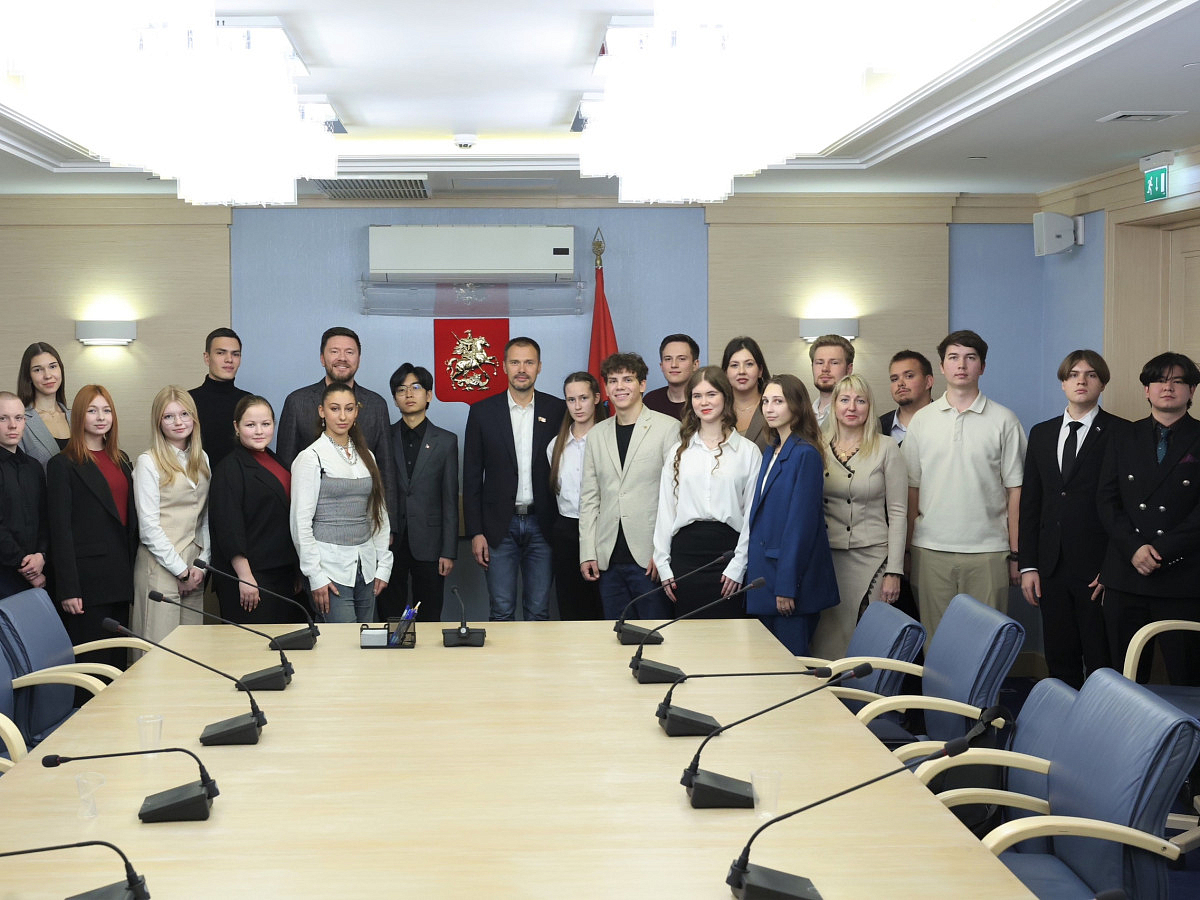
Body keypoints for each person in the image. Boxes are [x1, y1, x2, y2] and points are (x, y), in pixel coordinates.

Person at [901, 330, 1026, 637]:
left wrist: (1016, 554)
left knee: (987, 642)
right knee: (936, 641)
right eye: (953, 357)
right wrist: (907, 550)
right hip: (930, 550)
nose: (961, 365)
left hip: (989, 552)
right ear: (941, 367)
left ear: (982, 366)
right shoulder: (922, 421)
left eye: (970, 358)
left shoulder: (1005, 420)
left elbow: (1016, 492)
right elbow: (912, 490)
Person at [1019, 350, 1121, 689]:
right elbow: (1031, 503)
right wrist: (1028, 565)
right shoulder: (1042, 433)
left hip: (1097, 570)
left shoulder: (1121, 432)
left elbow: (1124, 507)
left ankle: (1099, 720)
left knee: (1101, 658)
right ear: (1063, 383)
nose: (1081, 381)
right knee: (1059, 656)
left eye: (1091, 375)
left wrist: (1112, 568)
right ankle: (1063, 717)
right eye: (1073, 374)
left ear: (1102, 383)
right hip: (1050, 565)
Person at [1098, 351, 1200, 684]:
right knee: (1123, 676)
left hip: (1182, 576)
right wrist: (1134, 548)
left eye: (1178, 381)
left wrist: (1161, 550)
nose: (1167, 387)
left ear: (1192, 390)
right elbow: (1106, 499)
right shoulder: (1122, 436)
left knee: (1186, 677)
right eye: (1159, 380)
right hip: (1126, 573)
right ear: (1146, 389)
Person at [462, 337, 565, 621]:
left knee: (539, 612)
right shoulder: (482, 412)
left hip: (543, 525)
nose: (522, 369)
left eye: (529, 362)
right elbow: (471, 477)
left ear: (539, 367)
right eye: (515, 362)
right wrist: (476, 532)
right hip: (499, 528)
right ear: (504, 366)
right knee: (501, 611)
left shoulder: (557, 410)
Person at [811, 375, 906, 659]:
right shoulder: (816, 446)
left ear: (869, 406)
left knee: (867, 643)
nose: (852, 407)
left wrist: (895, 571)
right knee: (825, 642)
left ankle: (866, 690)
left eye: (860, 400)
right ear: (834, 406)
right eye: (844, 400)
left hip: (873, 558)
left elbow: (898, 512)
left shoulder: (886, 447)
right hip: (827, 559)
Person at [652, 366, 758, 618]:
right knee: (687, 635)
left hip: (728, 555)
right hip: (685, 557)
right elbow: (666, 511)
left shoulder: (748, 452)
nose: (704, 402)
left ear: (725, 396)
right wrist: (663, 564)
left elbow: (752, 516)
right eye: (697, 396)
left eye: (711, 394)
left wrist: (739, 565)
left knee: (729, 632)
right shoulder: (678, 451)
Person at [579, 352, 678, 620]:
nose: (619, 386)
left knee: (655, 634)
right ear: (606, 388)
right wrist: (587, 552)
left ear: (642, 384)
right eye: (613, 381)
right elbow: (589, 498)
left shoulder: (668, 428)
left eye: (627, 379)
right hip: (608, 558)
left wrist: (663, 553)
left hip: (650, 558)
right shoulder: (597, 434)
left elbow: (676, 496)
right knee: (616, 634)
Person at [745, 374, 838, 655]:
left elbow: (801, 527)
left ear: (796, 406)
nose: (769, 408)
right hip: (765, 576)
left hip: (788, 583)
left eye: (778, 401)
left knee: (791, 667)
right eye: (765, 402)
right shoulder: (771, 450)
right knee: (766, 665)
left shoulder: (805, 454)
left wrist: (787, 586)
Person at [46, 385, 137, 671]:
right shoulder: (62, 464)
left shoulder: (122, 459)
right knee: (92, 666)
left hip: (121, 577)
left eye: (106, 410)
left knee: (118, 667)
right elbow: (60, 531)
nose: (101, 417)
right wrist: (68, 589)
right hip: (87, 584)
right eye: (92, 410)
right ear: (78, 416)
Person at [290, 382, 391, 623]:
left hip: (366, 566)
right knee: (342, 643)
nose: (342, 416)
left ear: (357, 412)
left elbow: (378, 514)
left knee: (367, 639)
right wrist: (315, 575)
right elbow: (300, 523)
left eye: (349, 408)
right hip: (329, 568)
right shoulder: (311, 457)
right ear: (322, 411)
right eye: (335, 409)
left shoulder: (367, 456)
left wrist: (384, 565)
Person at [275, 326, 394, 514]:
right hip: (313, 515)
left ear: (359, 359)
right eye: (334, 351)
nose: (342, 358)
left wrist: (388, 522)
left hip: (365, 514)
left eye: (350, 352)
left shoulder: (376, 405)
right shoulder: (297, 402)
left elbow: (386, 470)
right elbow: (285, 469)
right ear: (322, 358)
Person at [209, 395, 303, 624]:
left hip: (282, 573)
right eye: (250, 425)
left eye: (266, 424)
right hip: (251, 577)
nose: (259, 431)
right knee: (253, 644)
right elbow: (228, 528)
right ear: (236, 427)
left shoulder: (277, 461)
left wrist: (296, 569)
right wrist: (245, 576)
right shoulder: (229, 469)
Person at [132, 387, 211, 644]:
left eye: (184, 414)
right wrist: (181, 572)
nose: (178, 422)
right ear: (158, 422)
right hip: (161, 567)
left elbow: (205, 517)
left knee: (191, 650)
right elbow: (148, 527)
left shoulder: (202, 458)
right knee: (159, 650)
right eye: (169, 416)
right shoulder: (148, 462)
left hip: (194, 567)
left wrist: (201, 564)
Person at [380, 363, 458, 623]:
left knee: (430, 614)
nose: (409, 394)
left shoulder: (446, 441)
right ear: (395, 399)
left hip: (431, 543)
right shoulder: (383, 437)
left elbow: (450, 499)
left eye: (415, 387)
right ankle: (393, 650)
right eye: (401, 389)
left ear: (429, 395)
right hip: (391, 541)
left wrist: (449, 550)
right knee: (390, 612)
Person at [547, 372, 606, 620]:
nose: (578, 406)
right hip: (567, 531)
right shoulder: (555, 446)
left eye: (584, 398)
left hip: (603, 528)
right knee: (570, 605)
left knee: (602, 604)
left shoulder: (608, 439)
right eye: (571, 400)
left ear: (597, 398)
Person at [0, 392, 48, 598]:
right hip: (5, 574)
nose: (13, 425)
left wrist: (41, 555)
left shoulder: (34, 467)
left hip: (39, 569)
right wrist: (26, 567)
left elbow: (45, 517)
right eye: (3, 418)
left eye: (18, 418)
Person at [189, 327, 251, 468]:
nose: (229, 360)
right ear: (207, 358)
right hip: (196, 478)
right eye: (221, 353)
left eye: (235, 354)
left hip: (240, 479)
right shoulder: (188, 401)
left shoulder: (248, 402)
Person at [17, 342, 69, 470]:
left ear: (61, 369)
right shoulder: (20, 421)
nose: (47, 375)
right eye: (38, 370)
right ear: (29, 376)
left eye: (52, 366)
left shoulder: (78, 417)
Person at [722, 336, 771, 449]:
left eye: (749, 364)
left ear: (760, 371)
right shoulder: (717, 409)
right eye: (734, 365)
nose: (741, 371)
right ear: (725, 373)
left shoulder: (773, 407)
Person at [879, 350, 935, 444]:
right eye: (894, 379)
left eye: (909, 376)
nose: (900, 383)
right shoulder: (878, 426)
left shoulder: (949, 421)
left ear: (928, 382)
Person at [643, 333, 700, 420]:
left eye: (681, 359)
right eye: (668, 359)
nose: (674, 365)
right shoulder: (651, 401)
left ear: (695, 365)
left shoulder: (704, 401)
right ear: (661, 366)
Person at [809, 335, 854, 426]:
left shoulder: (860, 417)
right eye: (819, 363)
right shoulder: (801, 415)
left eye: (834, 363)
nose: (825, 369)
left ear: (849, 369)